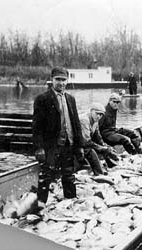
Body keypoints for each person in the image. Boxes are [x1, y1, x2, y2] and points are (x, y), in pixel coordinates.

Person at [32, 66, 85, 204]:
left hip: (68, 143)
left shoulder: (71, 99)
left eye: (63, 80)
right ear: (52, 80)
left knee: (69, 175)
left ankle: (71, 201)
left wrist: (79, 146)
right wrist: (39, 148)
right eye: (58, 79)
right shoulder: (42, 99)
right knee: (45, 176)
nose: (61, 83)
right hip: (51, 146)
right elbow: (36, 127)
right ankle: (41, 205)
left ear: (67, 81)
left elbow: (76, 124)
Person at [79, 103, 119, 175]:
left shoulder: (95, 121)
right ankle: (99, 174)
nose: (98, 116)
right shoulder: (84, 120)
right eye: (97, 113)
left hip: (85, 142)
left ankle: (112, 166)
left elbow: (97, 136)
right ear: (91, 111)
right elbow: (86, 141)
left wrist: (104, 145)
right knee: (91, 152)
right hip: (77, 144)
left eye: (101, 115)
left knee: (106, 149)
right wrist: (101, 148)